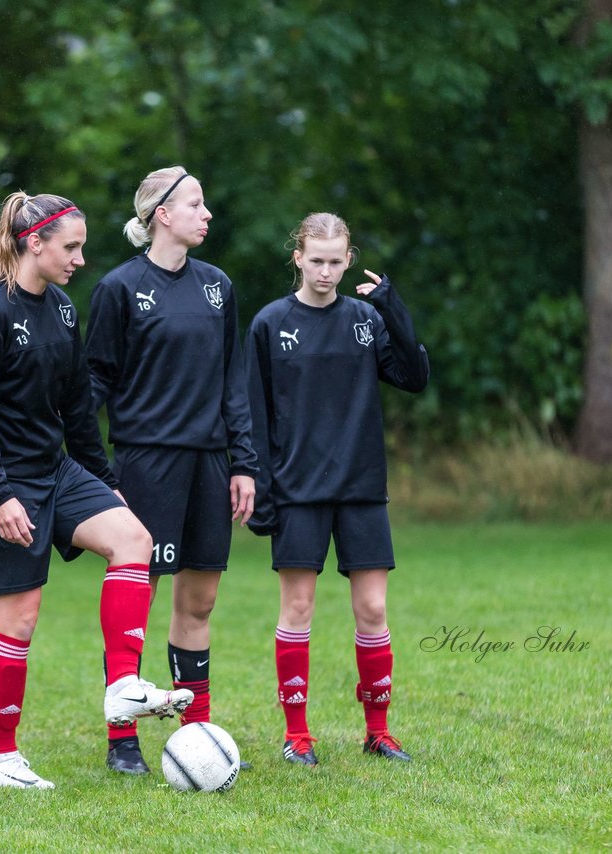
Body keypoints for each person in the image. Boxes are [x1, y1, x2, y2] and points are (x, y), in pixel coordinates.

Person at [0, 191, 193, 790]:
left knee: (133, 537)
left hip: (55, 469)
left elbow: (76, 407)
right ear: (33, 244)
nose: (80, 259)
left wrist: (106, 482)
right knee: (20, 618)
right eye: (71, 247)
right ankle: (2, 760)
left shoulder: (60, 308)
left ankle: (121, 689)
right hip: (3, 479)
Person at [85, 166, 259, 775]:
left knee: (201, 600)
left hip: (210, 464)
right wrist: (96, 470)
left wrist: (244, 462)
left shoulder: (218, 287)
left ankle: (196, 728)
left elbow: (233, 383)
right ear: (162, 213)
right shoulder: (120, 288)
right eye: (194, 203)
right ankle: (121, 736)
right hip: (146, 463)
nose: (206, 213)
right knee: (139, 597)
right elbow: (93, 385)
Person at [245, 212, 429, 766]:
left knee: (373, 609)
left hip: (362, 487)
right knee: (297, 606)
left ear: (349, 260)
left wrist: (392, 306)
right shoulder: (271, 323)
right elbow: (253, 415)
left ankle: (378, 731)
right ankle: (297, 735)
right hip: (298, 489)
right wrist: (261, 489)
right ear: (297, 257)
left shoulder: (366, 320)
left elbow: (415, 377)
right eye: (316, 260)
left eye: (336, 261)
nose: (326, 271)